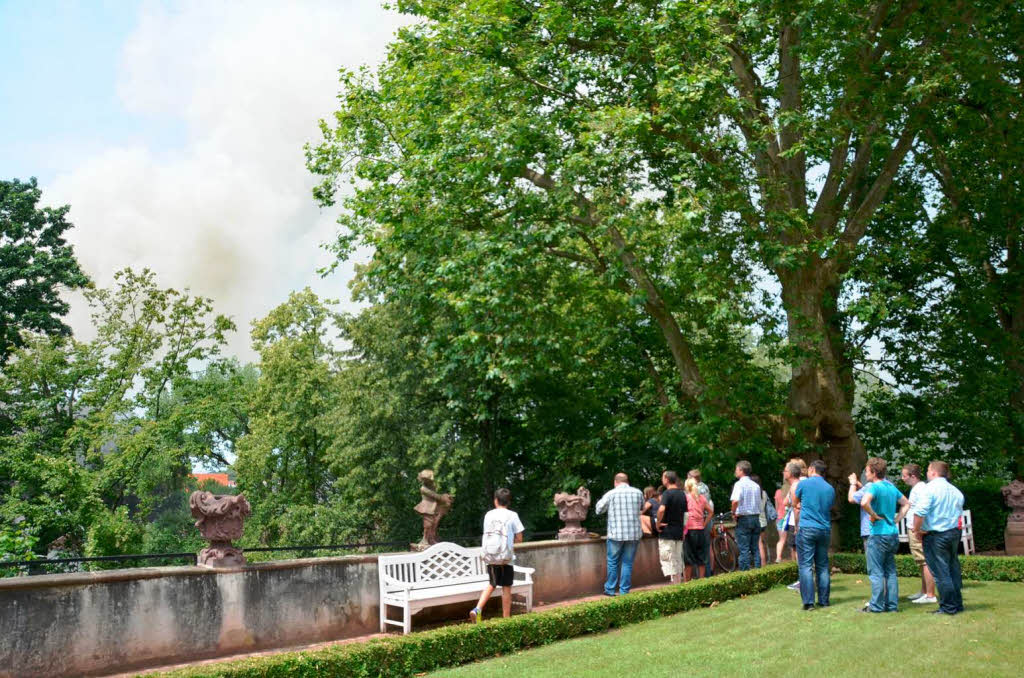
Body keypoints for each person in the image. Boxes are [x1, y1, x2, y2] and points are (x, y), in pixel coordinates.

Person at [912, 461, 965, 615]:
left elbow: (919, 512)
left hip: (936, 536)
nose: (927, 473)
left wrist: (917, 530)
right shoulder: (955, 490)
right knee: (953, 569)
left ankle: (948, 607)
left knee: (941, 572)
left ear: (934, 473)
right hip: (954, 533)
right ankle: (957, 604)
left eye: (928, 470)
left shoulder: (930, 489)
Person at [859, 458, 909, 613]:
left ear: (873, 472)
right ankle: (892, 606)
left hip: (878, 534)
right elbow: (906, 503)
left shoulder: (874, 487)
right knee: (890, 571)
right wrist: (897, 520)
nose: (865, 474)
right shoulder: (891, 487)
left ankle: (876, 606)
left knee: (876, 572)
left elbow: (864, 503)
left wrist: (873, 514)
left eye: (867, 471)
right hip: (892, 534)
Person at [470, 488, 525, 622]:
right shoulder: (512, 515)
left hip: (491, 556)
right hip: (506, 557)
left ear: (496, 500)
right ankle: (506, 619)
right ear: (508, 502)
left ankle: (477, 609)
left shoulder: (488, 515)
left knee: (492, 584)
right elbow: (520, 538)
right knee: (506, 587)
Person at [793, 460, 835, 610]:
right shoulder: (830, 488)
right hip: (824, 529)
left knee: (805, 566)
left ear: (811, 469)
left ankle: (808, 602)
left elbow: (795, 502)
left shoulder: (804, 484)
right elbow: (829, 506)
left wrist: (801, 505)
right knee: (823, 566)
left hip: (807, 528)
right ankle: (824, 600)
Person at [594, 472, 645, 596]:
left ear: (615, 482)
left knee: (612, 562)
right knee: (627, 563)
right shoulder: (638, 492)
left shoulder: (611, 493)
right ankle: (624, 591)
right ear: (627, 481)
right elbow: (642, 507)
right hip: (633, 534)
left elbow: (598, 510)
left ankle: (610, 590)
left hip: (616, 534)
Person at [901, 463, 937, 604]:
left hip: (917, 530)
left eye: (904, 476)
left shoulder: (920, 489)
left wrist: (918, 529)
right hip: (915, 529)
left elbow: (922, 510)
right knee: (921, 562)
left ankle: (930, 595)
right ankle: (924, 592)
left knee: (925, 562)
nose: (902, 478)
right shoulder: (918, 488)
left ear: (913, 476)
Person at [730, 461, 762, 570]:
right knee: (755, 548)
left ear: (741, 471)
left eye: (736, 469)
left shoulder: (739, 484)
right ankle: (759, 571)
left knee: (744, 548)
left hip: (744, 519)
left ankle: (745, 574)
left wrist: (733, 513)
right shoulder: (756, 485)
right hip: (755, 518)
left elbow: (735, 501)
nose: (735, 471)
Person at [656, 471, 686, 584]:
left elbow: (661, 509)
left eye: (662, 477)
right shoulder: (682, 493)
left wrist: (658, 523)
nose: (662, 479)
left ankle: (674, 585)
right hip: (678, 531)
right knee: (678, 559)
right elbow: (686, 514)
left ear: (667, 479)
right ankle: (678, 583)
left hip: (667, 532)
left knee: (669, 560)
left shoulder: (667, 494)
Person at [687, 470, 715, 576]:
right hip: (707, 519)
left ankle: (702, 575)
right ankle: (709, 572)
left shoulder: (694, 489)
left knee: (698, 550)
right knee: (707, 547)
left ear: (691, 478)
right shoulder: (705, 487)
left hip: (698, 521)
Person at [683, 477, 711, 581]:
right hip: (700, 530)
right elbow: (710, 512)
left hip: (689, 530)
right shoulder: (702, 498)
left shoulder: (686, 498)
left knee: (689, 558)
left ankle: (687, 583)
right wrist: (704, 523)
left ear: (687, 487)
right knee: (701, 558)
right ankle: (701, 580)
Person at [751, 474, 770, 566]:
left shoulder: (753, 493)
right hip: (763, 521)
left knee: (759, 545)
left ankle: (762, 565)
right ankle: (763, 563)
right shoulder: (764, 493)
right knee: (761, 543)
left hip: (757, 521)